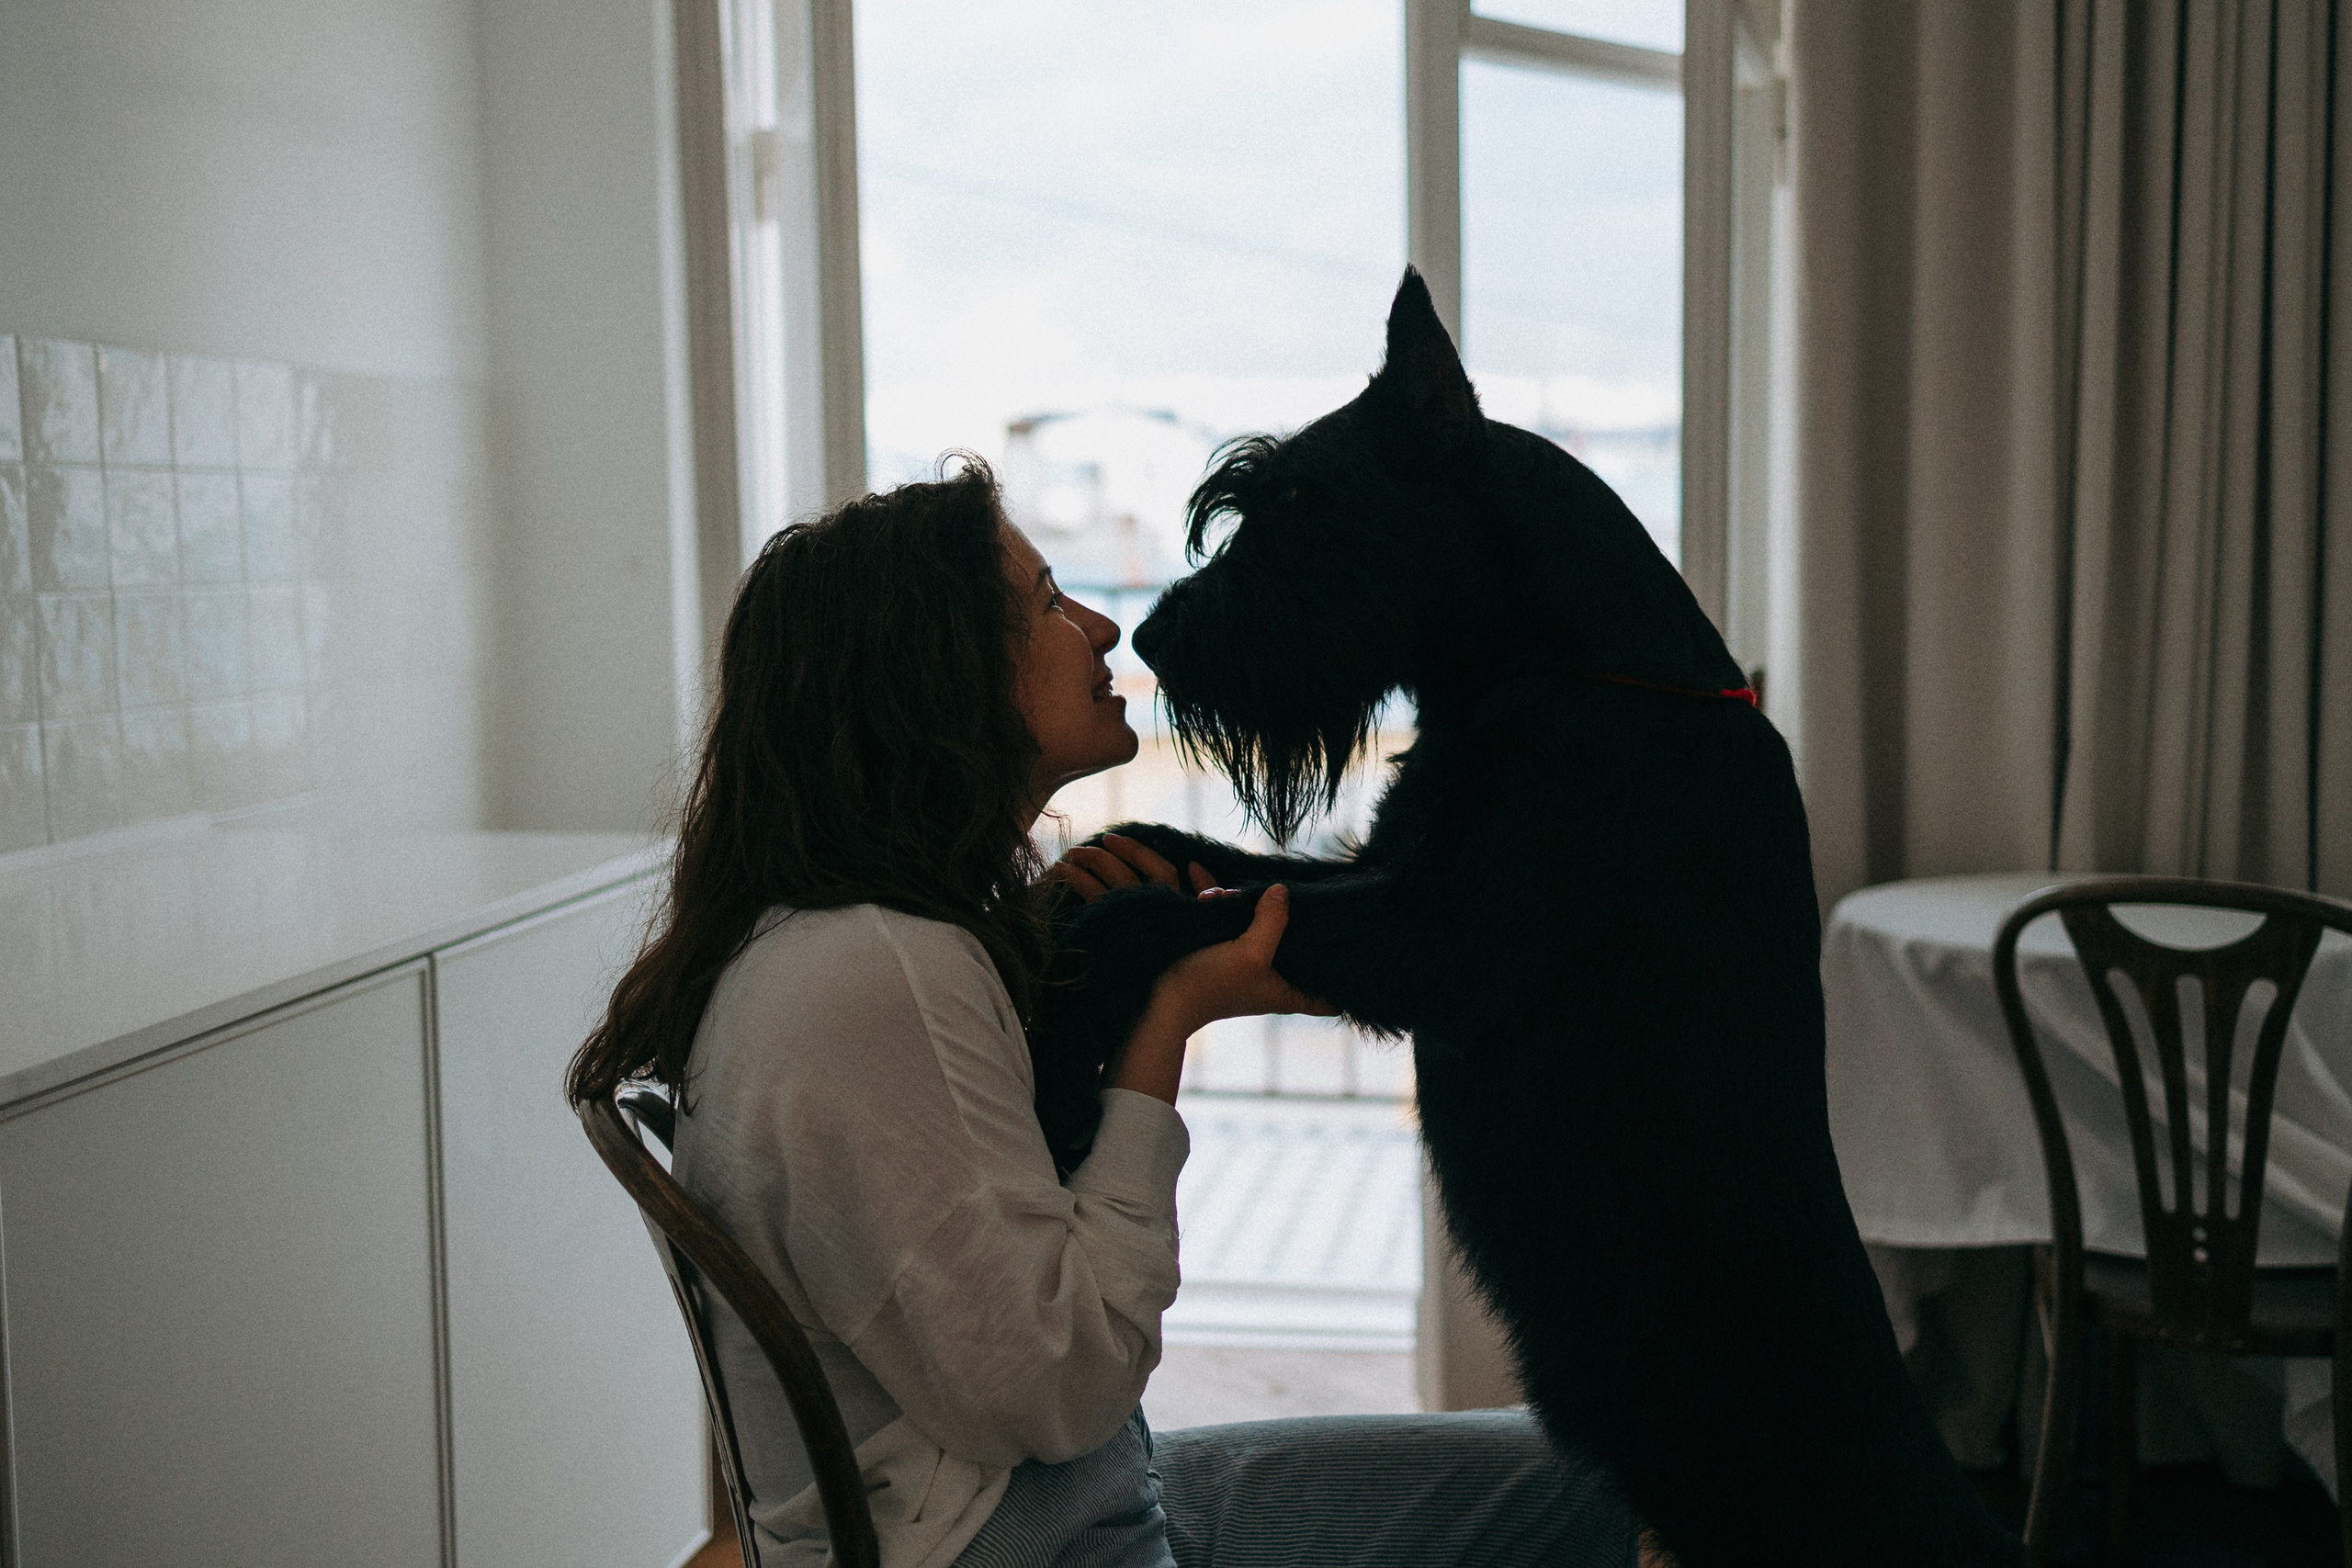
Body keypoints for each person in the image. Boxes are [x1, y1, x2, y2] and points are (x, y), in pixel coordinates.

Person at [566, 459, 1638, 1568]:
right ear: (940, 675)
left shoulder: (839, 939)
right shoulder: (881, 973)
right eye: (1044, 602)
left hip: (1020, 1498)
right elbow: (1059, 1385)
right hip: (1024, 1538)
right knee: (1603, 1498)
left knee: (1599, 1471)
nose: (1100, 627)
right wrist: (1165, 1025)